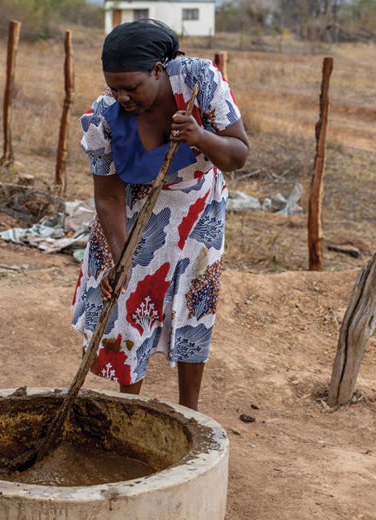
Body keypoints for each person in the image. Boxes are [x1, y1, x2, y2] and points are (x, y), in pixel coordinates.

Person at [71, 19, 249, 411]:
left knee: (192, 306)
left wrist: (200, 136)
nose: (121, 97)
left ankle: (189, 413)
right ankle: (129, 412)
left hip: (197, 211)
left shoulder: (199, 83)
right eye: (113, 87)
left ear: (157, 70)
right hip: (130, 216)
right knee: (126, 305)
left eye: (130, 87)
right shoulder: (102, 118)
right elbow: (108, 200)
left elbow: (238, 154)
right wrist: (122, 262)